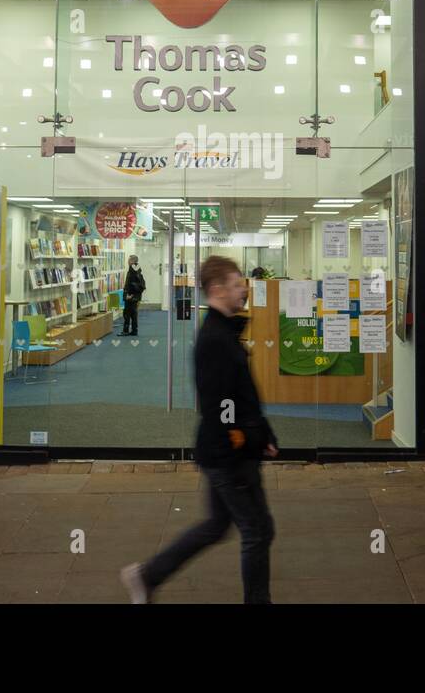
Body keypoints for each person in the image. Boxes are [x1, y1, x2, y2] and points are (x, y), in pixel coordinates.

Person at [121, 255, 278, 604]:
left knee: (218, 526)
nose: (244, 291)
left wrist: (261, 434)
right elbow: (221, 405)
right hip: (228, 456)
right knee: (256, 530)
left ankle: (147, 576)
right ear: (218, 289)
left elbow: (242, 394)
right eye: (238, 285)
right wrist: (241, 442)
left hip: (227, 451)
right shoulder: (215, 340)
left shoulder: (225, 331)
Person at [121, 255, 145, 336]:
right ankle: (134, 330)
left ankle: (126, 331)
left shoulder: (133, 271)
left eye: (129, 260)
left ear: (132, 261)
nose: (127, 261)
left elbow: (132, 284)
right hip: (135, 296)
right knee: (133, 314)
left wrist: (130, 294)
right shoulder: (137, 269)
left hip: (131, 296)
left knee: (127, 313)